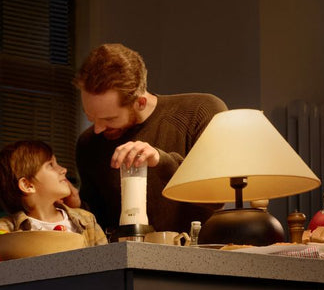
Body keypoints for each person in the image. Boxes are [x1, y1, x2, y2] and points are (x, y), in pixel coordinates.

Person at [73, 42, 226, 234]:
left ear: (140, 102)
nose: (97, 129)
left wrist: (161, 160)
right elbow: (99, 222)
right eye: (90, 117)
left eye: (109, 119)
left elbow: (217, 196)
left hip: (198, 257)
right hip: (125, 258)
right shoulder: (88, 144)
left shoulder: (200, 111)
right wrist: (76, 205)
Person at [0, 139, 107, 246]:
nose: (64, 170)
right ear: (27, 185)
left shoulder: (87, 220)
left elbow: (107, 262)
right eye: (51, 165)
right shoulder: (4, 231)